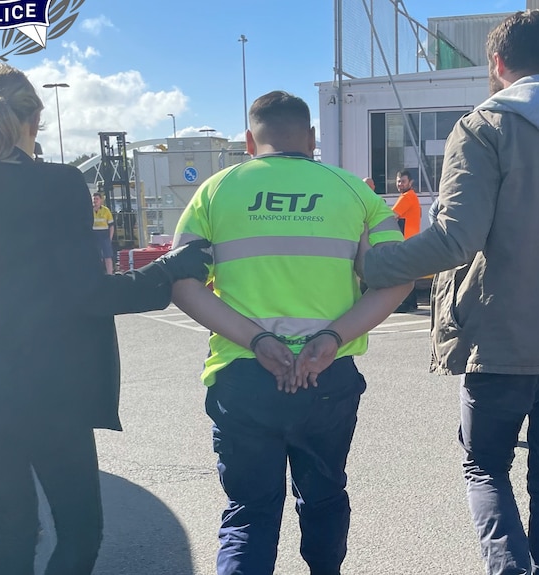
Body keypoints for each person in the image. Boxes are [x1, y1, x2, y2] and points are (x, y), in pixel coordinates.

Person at [0, 62, 212, 575]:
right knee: (80, 532)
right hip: (49, 394)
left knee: (15, 528)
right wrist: (167, 273)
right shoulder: (58, 185)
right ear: (34, 120)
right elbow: (86, 294)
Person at [361, 10, 539, 575]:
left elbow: (456, 239)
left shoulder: (482, 128)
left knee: (485, 467)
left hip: (503, 339)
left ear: (496, 63)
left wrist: (374, 264)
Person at [170, 90, 413, 575]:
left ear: (249, 140)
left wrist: (258, 341)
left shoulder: (216, 190)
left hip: (243, 377)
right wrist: (332, 339)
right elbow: (397, 277)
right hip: (327, 378)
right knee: (323, 499)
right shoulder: (355, 192)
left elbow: (180, 282)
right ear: (311, 138)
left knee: (250, 514)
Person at [391, 168, 421, 312]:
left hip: (406, 241)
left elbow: (392, 216)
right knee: (408, 273)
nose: (400, 184)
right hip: (411, 240)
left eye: (403, 181)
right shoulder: (411, 196)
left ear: (410, 182)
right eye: (398, 181)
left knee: (404, 273)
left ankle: (408, 303)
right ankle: (411, 302)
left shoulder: (407, 197)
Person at [92, 192, 115, 273]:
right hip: (94, 236)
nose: (95, 201)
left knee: (108, 257)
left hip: (105, 236)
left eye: (97, 199)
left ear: (101, 200)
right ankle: (99, 274)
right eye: (94, 199)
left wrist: (110, 238)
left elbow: (111, 226)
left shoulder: (106, 211)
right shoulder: (89, 210)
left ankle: (110, 274)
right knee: (97, 257)